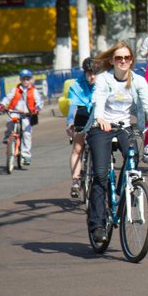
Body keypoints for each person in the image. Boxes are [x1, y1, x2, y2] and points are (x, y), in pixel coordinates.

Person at [83, 42, 148, 244]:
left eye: (126, 58)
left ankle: (125, 191)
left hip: (124, 126)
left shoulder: (138, 80)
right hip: (101, 126)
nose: (123, 61)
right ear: (112, 61)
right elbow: (98, 99)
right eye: (119, 58)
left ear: (131, 61)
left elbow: (147, 102)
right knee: (101, 175)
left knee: (132, 158)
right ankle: (97, 225)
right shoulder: (104, 79)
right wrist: (100, 118)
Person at [66, 58, 97, 198]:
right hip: (83, 114)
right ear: (84, 73)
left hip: (98, 115)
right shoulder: (76, 85)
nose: (92, 76)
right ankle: (75, 181)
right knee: (77, 149)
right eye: (89, 73)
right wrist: (70, 123)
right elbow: (73, 107)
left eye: (95, 73)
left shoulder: (104, 83)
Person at [0, 69, 43, 165]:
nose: (25, 81)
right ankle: (8, 136)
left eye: (27, 79)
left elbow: (39, 102)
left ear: (30, 80)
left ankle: (26, 155)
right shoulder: (15, 89)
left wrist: (37, 108)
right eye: (23, 79)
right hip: (15, 112)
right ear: (20, 79)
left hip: (27, 114)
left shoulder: (34, 91)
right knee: (10, 120)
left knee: (27, 133)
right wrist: (2, 105)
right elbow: (7, 98)